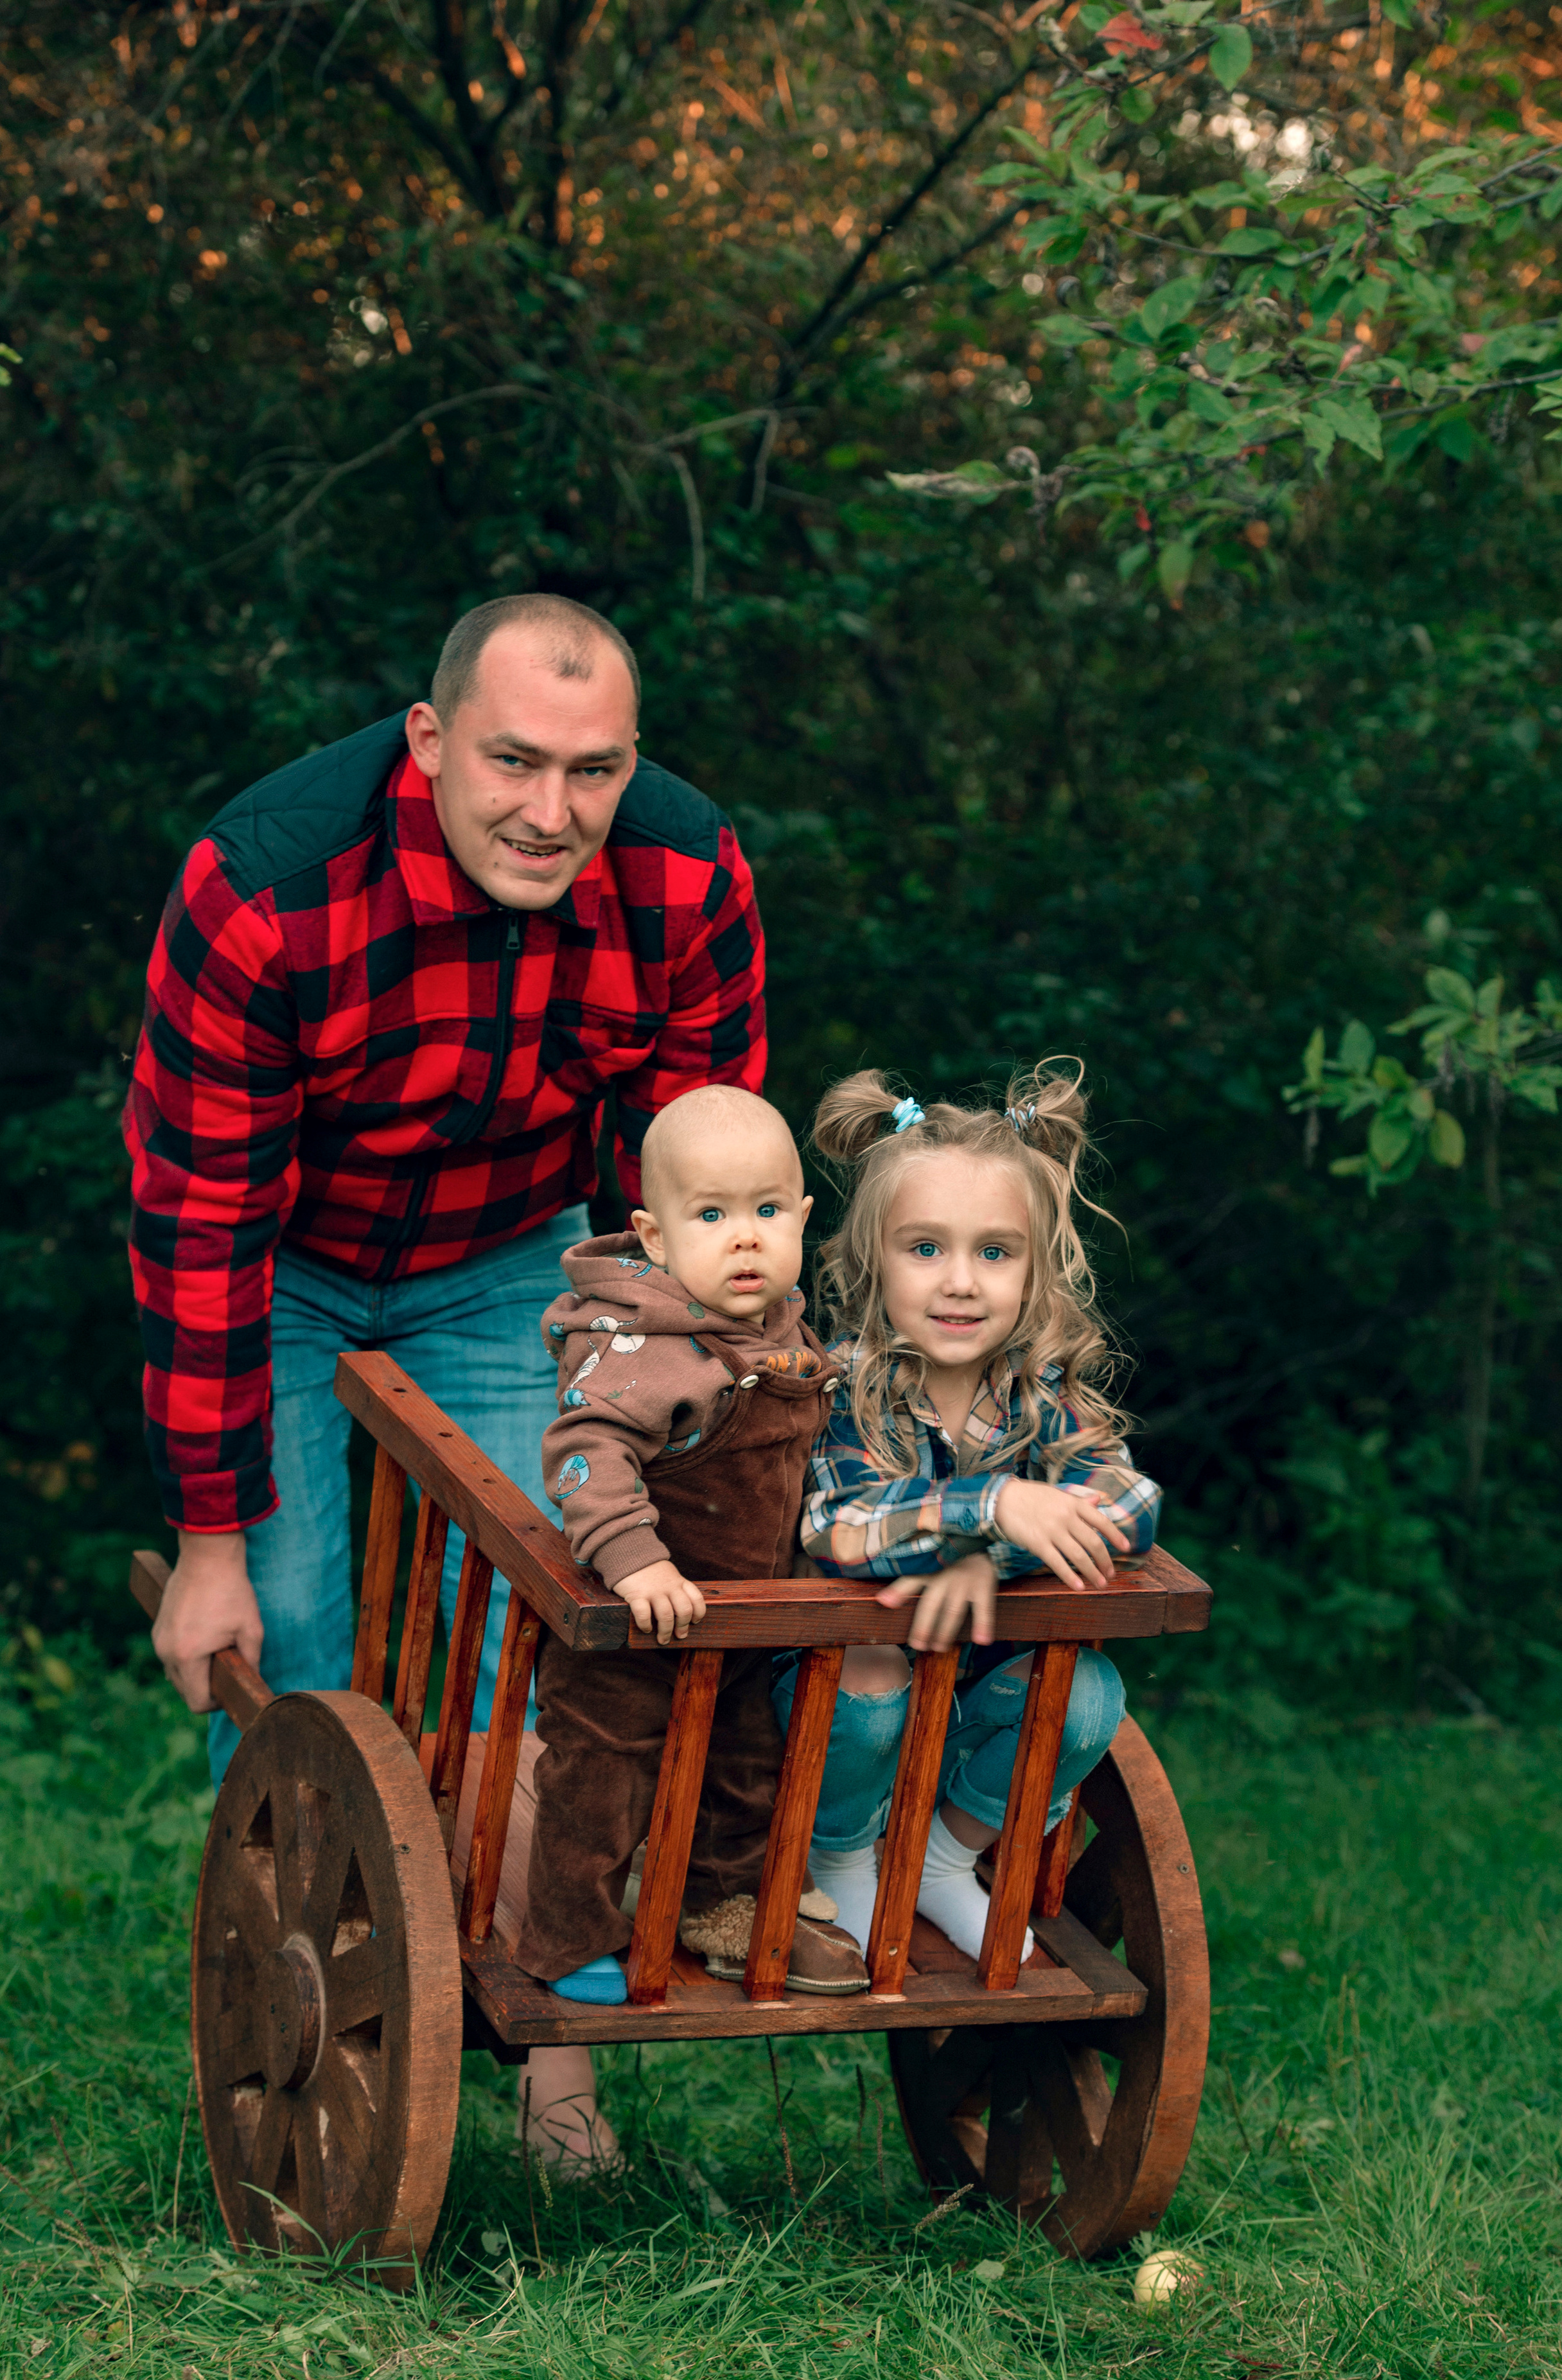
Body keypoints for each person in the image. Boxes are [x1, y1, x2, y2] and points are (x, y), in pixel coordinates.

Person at [124, 593, 766, 2171]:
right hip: (279, 1261)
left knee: (530, 1631)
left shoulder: (686, 877)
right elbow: (201, 1229)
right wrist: (208, 1547)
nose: (551, 812)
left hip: (506, 1258)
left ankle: (550, 2058)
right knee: (300, 1651)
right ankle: (298, 2053)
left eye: (594, 770)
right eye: (511, 761)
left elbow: (695, 1185)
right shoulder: (264, 884)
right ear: (427, 742)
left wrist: (676, 1423)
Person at [780, 1064, 1162, 1960]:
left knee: (1090, 1695)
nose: (960, 1282)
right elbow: (835, 1524)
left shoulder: (1040, 1393)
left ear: (1035, 1267)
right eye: (926, 1249)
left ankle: (948, 1858)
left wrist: (987, 1555)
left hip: (968, 1709)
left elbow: (1129, 1499)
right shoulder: (842, 1386)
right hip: (840, 1717)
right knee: (869, 1666)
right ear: (873, 1254)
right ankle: (840, 1861)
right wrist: (991, 1504)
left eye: (995, 1252)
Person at [518, 1085, 869, 2004]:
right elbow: (583, 1454)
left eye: (764, 1212)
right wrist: (638, 1561)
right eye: (711, 1215)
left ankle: (718, 1907)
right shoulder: (640, 1348)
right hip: (635, 1625)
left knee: (746, 1770)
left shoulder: (784, 1329)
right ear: (656, 1237)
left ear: (800, 1220)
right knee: (601, 1780)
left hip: (744, 1621)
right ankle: (570, 1935)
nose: (743, 1237)